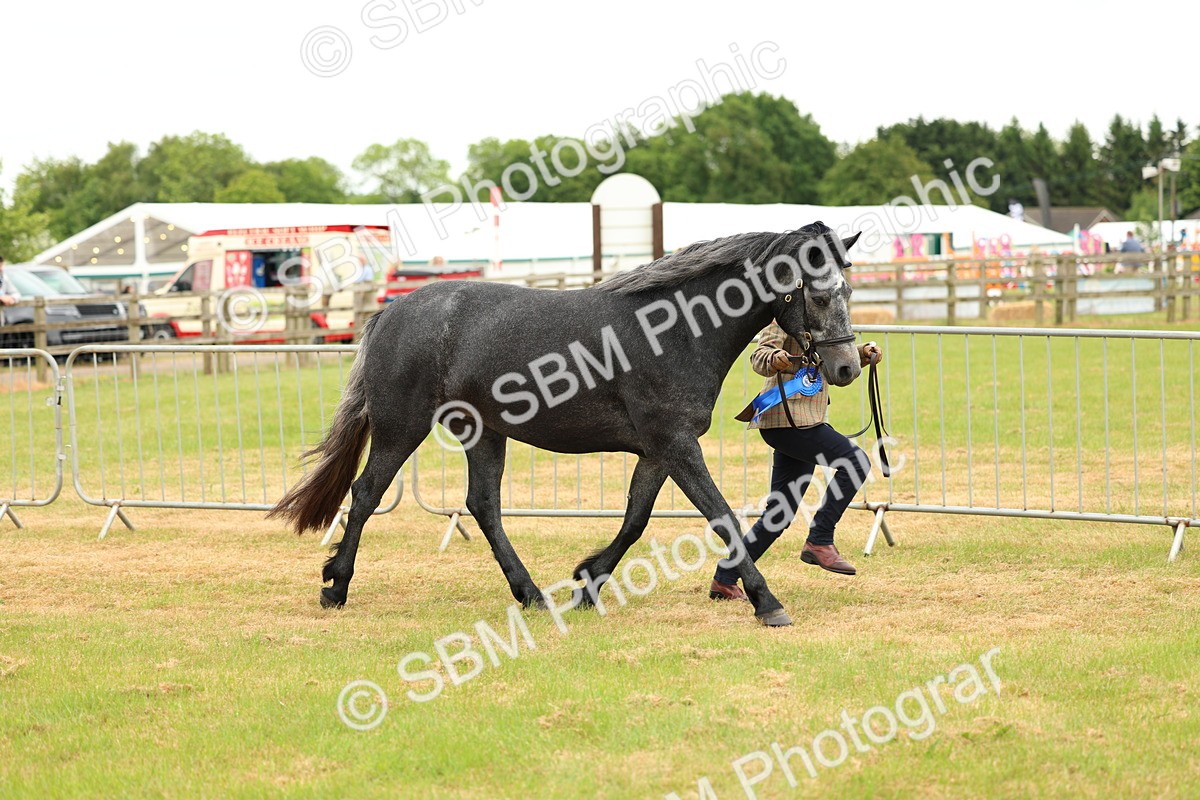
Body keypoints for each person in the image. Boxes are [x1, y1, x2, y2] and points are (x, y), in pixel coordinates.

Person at [710, 322, 882, 601]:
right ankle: (820, 539)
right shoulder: (783, 318)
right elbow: (760, 355)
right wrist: (774, 359)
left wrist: (862, 354)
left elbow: (833, 361)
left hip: (806, 420)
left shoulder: (824, 319)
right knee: (855, 461)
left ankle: (725, 579)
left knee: (779, 515)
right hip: (784, 418)